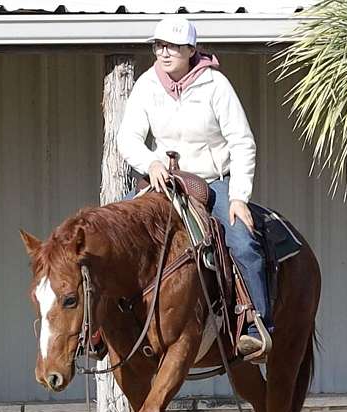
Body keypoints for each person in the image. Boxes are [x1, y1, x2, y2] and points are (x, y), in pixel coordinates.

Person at [117, 15, 273, 362]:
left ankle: (256, 327)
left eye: (172, 46)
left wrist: (239, 198)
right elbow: (127, 138)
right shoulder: (147, 84)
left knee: (243, 242)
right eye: (159, 46)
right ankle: (104, 328)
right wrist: (150, 163)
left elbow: (242, 142)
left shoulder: (215, 85)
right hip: (165, 182)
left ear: (191, 50)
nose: (164, 52)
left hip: (213, 183)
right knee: (114, 230)